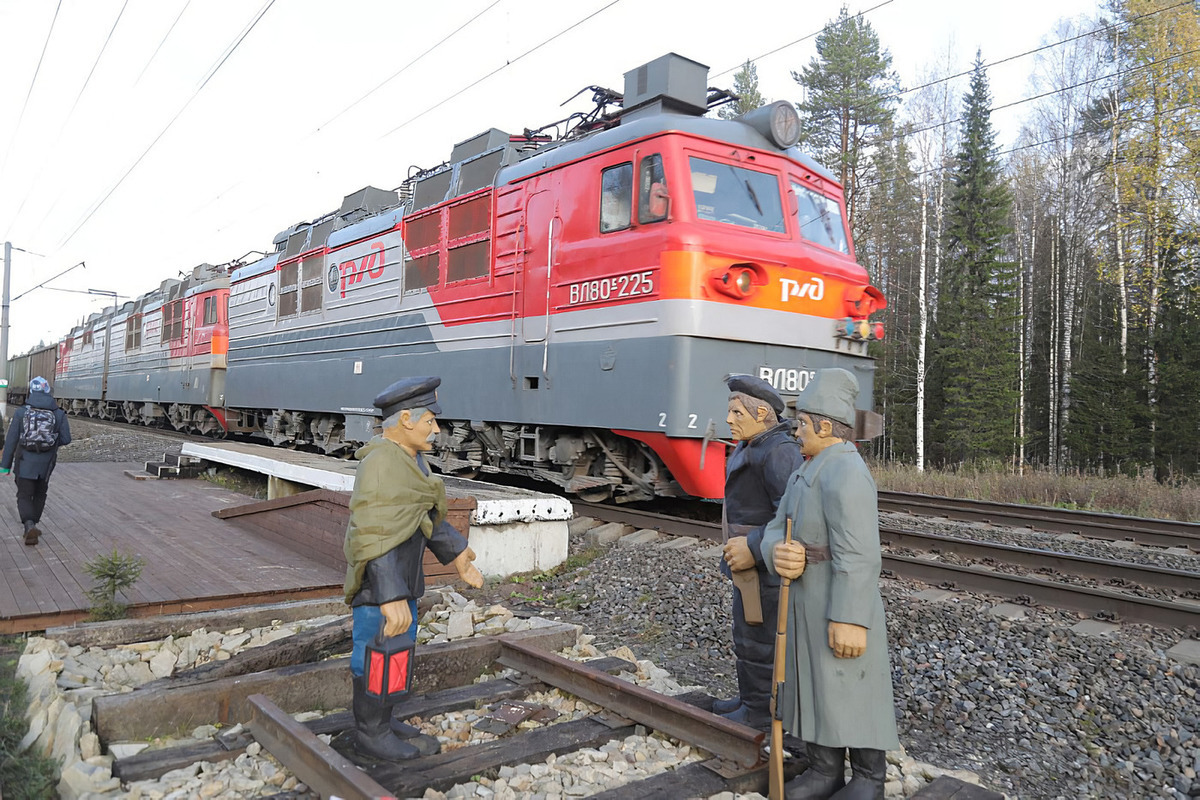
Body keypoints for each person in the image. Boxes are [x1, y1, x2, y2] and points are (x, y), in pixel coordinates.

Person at [761, 368, 899, 800]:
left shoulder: (846, 472)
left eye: (801, 424)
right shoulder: (808, 470)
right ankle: (824, 769)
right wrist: (776, 552)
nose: (795, 432)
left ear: (824, 425)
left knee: (851, 682)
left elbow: (859, 555)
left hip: (837, 600)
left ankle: (868, 778)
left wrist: (851, 618)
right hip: (805, 597)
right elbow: (773, 527)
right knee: (816, 681)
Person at [343, 375, 484, 761]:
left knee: (397, 653)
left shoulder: (410, 460)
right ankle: (369, 732)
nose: (436, 429)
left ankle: (384, 721)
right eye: (430, 421)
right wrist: (390, 598)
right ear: (406, 419)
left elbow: (422, 516)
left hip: (403, 583)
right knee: (373, 654)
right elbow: (374, 534)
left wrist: (456, 554)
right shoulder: (381, 466)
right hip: (380, 589)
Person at [717, 375, 804, 730]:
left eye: (736, 412)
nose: (728, 419)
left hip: (763, 565)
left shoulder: (779, 451)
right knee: (747, 634)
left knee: (761, 639)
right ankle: (750, 699)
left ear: (762, 412)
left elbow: (792, 516)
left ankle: (759, 713)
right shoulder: (753, 444)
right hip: (747, 564)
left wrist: (754, 548)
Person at [1, 377, 71, 546]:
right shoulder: (58, 413)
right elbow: (66, 438)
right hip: (46, 464)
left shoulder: (21, 412)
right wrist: (49, 443)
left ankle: (29, 524)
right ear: (48, 391)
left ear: (31, 391)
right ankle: (34, 524)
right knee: (40, 493)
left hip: (24, 461)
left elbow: (11, 441)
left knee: (24, 494)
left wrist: (5, 466)